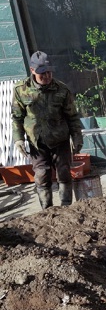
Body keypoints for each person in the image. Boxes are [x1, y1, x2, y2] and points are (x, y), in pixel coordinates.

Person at [11, 51, 83, 210]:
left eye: (49, 72)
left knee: (64, 173)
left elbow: (72, 116)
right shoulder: (21, 90)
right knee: (42, 176)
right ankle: (47, 211)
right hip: (37, 142)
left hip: (60, 139)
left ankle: (66, 208)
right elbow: (17, 117)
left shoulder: (62, 89)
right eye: (42, 73)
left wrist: (77, 137)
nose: (46, 76)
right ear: (32, 70)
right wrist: (18, 139)